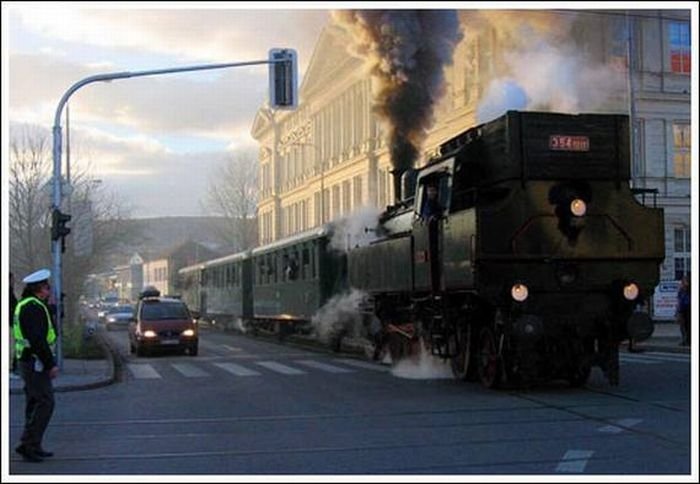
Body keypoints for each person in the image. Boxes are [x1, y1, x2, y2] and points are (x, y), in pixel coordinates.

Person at [13, 268, 59, 463]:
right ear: (40, 289)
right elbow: (38, 339)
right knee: (45, 402)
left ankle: (33, 444)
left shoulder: (28, 304)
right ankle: (28, 444)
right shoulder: (33, 307)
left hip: (27, 360)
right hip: (35, 362)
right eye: (47, 287)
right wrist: (51, 365)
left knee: (34, 402)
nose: (49, 290)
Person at [10, 272, 19, 377]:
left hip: (12, 323)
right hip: (9, 323)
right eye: (12, 279)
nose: (13, 281)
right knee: (11, 348)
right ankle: (9, 370)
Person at [677, 274, 691, 346]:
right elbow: (680, 300)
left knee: (687, 326)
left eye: (684, 281)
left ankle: (688, 340)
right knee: (683, 326)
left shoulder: (688, 291)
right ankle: (685, 340)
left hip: (687, 309)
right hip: (683, 310)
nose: (683, 283)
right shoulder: (681, 290)